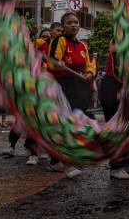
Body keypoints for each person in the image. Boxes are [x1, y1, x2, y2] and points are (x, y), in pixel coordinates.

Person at [46, 11, 96, 178]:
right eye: (69, 23)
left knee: (76, 123)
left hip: (80, 87)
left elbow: (89, 64)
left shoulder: (83, 45)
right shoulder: (59, 41)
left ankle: (61, 159)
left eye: (76, 22)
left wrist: (89, 73)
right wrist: (58, 65)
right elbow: (52, 61)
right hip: (62, 87)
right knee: (64, 124)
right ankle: (64, 162)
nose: (74, 25)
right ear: (63, 26)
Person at [99, 41, 129, 180]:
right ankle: (116, 166)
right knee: (117, 128)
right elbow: (118, 65)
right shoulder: (120, 38)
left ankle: (127, 161)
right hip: (115, 84)